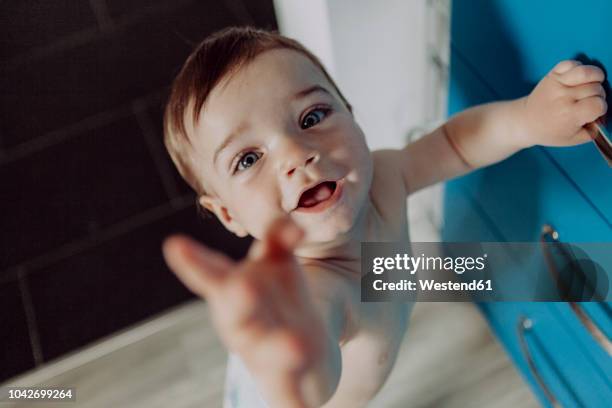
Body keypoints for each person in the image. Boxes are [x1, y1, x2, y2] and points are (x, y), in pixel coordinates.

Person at [160, 26, 607, 408]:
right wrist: (292, 362)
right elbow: (316, 354)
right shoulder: (317, 289)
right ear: (227, 215)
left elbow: (455, 144)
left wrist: (527, 120)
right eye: (248, 159)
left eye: (312, 115)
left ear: (351, 114)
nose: (297, 155)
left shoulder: (384, 178)